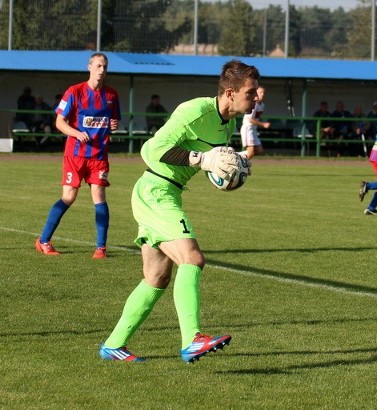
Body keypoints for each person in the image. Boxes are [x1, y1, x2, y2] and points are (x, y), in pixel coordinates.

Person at [98, 59, 259, 363]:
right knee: (193, 258)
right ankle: (192, 339)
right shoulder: (194, 111)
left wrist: (231, 163)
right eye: (250, 92)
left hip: (166, 192)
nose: (256, 98)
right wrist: (203, 160)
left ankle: (113, 344)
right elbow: (151, 150)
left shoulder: (231, 123)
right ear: (229, 93)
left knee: (156, 277)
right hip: (156, 191)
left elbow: (214, 165)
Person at [35, 52, 120, 259]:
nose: (101, 71)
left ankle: (101, 247)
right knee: (69, 197)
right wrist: (77, 133)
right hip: (76, 155)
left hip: (99, 156)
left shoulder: (111, 96)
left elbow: (113, 123)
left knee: (99, 196)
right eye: (98, 66)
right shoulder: (74, 91)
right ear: (89, 67)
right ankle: (43, 240)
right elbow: (59, 122)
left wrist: (114, 126)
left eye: (105, 67)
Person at [240, 85, 270, 159]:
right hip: (248, 128)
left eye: (264, 92)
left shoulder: (262, 105)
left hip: (253, 129)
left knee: (259, 150)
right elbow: (250, 120)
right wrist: (263, 124)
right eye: (260, 92)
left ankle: (236, 156)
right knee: (251, 151)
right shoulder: (254, 104)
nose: (262, 94)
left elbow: (256, 118)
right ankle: (240, 166)